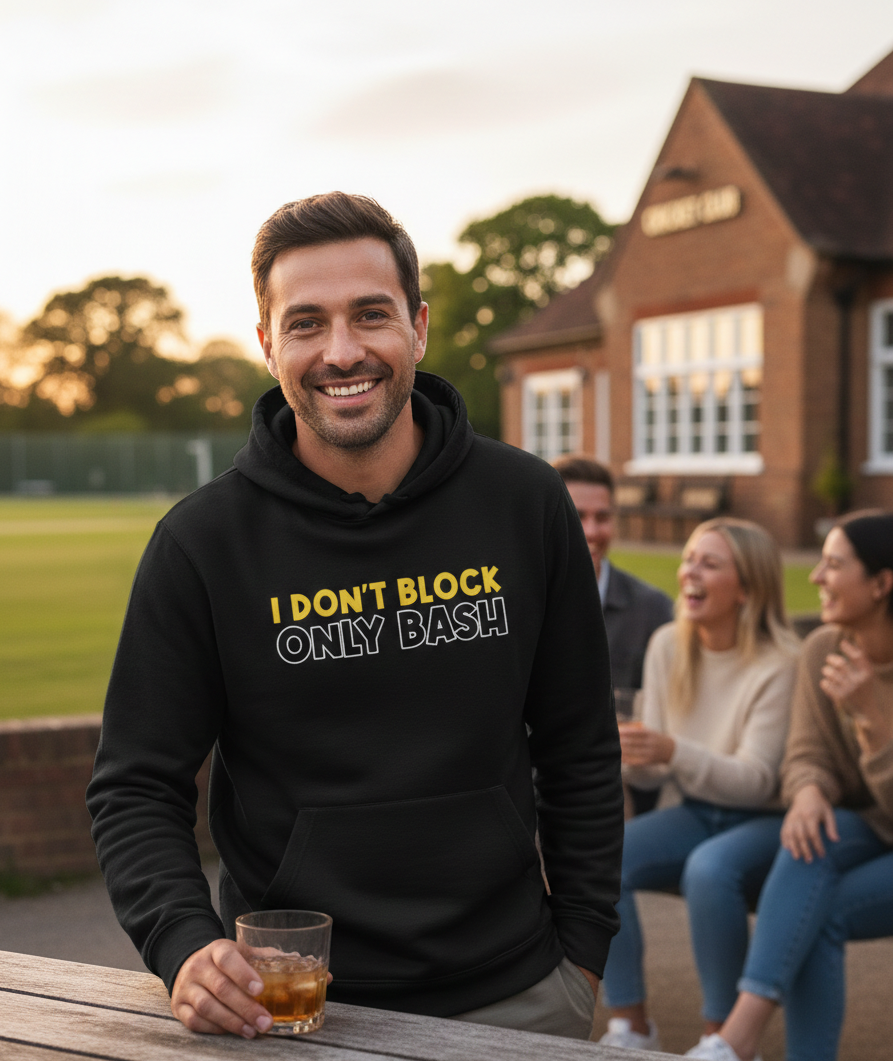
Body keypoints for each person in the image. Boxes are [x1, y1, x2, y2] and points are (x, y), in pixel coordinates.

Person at [86, 192, 624, 1041]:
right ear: (268, 346)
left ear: (415, 326)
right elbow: (135, 784)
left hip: (520, 994)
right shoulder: (201, 543)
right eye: (306, 323)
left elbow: (580, 746)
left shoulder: (523, 501)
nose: (342, 352)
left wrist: (584, 952)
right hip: (296, 1008)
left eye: (369, 315)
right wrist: (183, 944)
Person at [685, 511, 893, 1061]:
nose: (815, 578)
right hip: (857, 828)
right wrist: (807, 790)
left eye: (832, 565)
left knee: (819, 902)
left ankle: (735, 1038)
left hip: (881, 827)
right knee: (807, 838)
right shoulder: (825, 648)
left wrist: (874, 718)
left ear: (881, 583)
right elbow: (806, 753)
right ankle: (735, 1038)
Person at [596, 518, 799, 1053]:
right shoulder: (668, 644)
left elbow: (758, 780)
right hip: (694, 810)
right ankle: (631, 1024)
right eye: (689, 559)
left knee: (710, 870)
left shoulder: (781, 664)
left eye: (710, 563)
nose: (690, 572)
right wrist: (634, 756)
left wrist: (672, 750)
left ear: (749, 588)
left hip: (765, 819)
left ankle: (723, 1037)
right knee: (599, 855)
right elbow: (656, 771)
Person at [552, 456, 674, 693]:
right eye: (576, 516)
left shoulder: (653, 610)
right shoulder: (514, 607)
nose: (591, 531)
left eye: (602, 517)